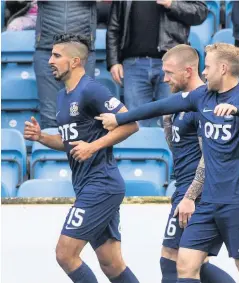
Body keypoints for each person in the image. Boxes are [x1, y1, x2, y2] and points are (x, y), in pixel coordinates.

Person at [96, 43, 239, 283]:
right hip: (208, 201)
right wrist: (120, 118)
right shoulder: (202, 96)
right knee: (184, 264)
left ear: (223, 68)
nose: (204, 72)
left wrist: (235, 109)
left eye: (207, 67)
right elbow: (159, 106)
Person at [24, 34, 139, 283]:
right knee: (111, 264)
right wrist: (41, 137)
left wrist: (93, 147)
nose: (50, 61)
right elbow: (71, 143)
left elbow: (131, 124)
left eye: (57, 55)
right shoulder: (63, 96)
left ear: (75, 61)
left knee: (65, 254)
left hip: (101, 185)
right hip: (88, 184)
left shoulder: (92, 89)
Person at [158, 44, 235, 283]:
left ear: (188, 71)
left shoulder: (204, 105)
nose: (164, 78)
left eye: (169, 73)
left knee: (171, 258)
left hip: (197, 191)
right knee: (196, 263)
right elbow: (177, 148)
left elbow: (208, 155)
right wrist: (168, 122)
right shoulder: (180, 104)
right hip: (184, 187)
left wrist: (191, 196)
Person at [107, 0, 207, 127]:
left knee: (173, 122)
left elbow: (201, 13)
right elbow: (114, 27)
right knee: (138, 124)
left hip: (172, 64)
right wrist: (113, 61)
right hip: (133, 64)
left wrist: (172, 4)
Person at [33, 1, 97, 129]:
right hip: (48, 49)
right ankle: (51, 149)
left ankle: (81, 149)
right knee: (50, 115)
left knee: (81, 111)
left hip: (81, 50)